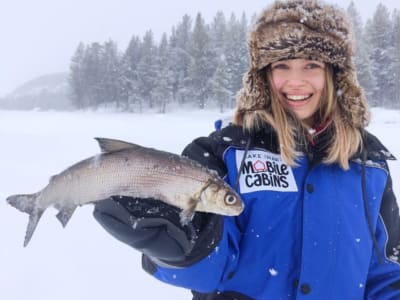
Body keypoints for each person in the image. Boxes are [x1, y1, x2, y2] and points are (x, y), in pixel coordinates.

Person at [93, 0, 400, 299]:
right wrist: (179, 249)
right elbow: (210, 271)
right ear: (264, 75)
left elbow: (387, 271)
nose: (296, 81)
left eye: (311, 65)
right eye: (282, 65)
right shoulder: (222, 153)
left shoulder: (369, 165)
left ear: (334, 75)